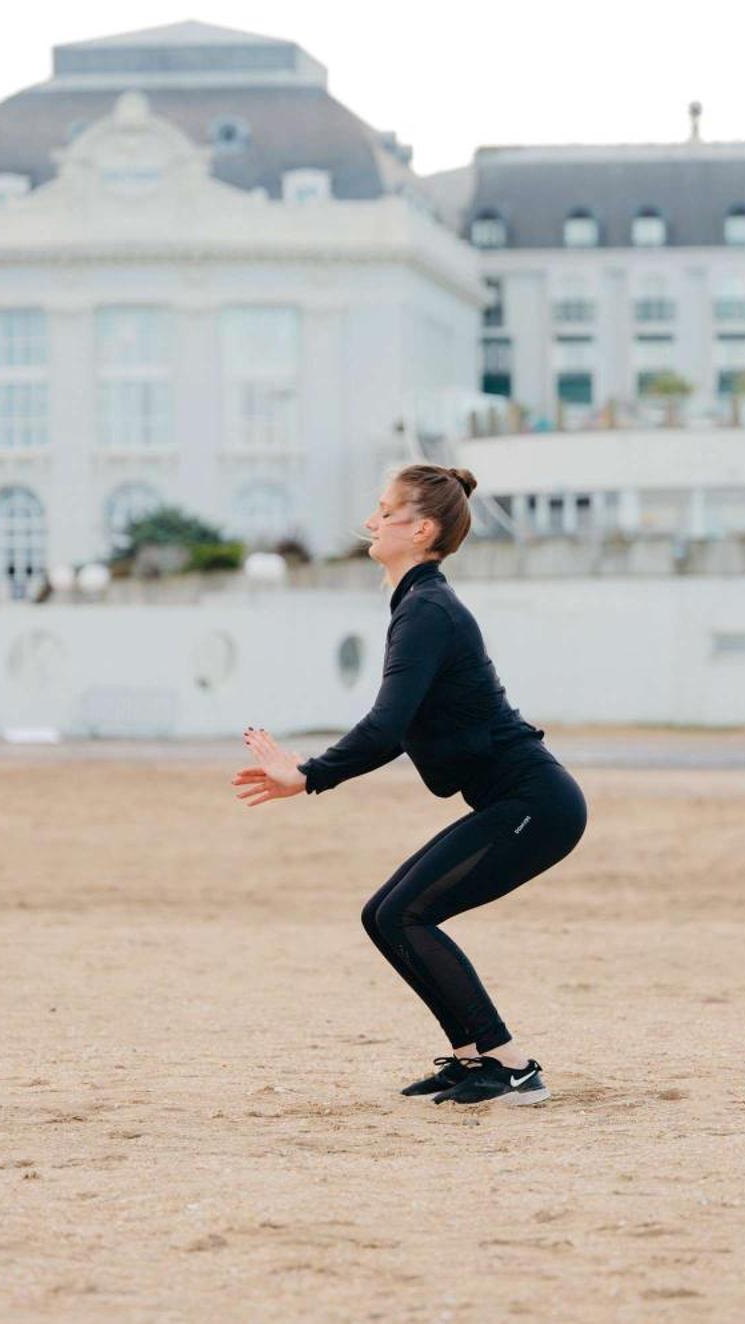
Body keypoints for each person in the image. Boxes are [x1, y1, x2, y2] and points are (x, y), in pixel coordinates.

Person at [232, 465, 585, 1107]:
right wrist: (309, 773)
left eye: (383, 510)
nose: (370, 521)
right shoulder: (419, 606)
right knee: (385, 914)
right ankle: (471, 1058)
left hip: (536, 804)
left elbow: (386, 727)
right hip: (519, 802)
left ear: (420, 529)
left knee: (405, 913)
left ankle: (510, 1066)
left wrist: (307, 775)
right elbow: (397, 728)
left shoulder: (427, 610)